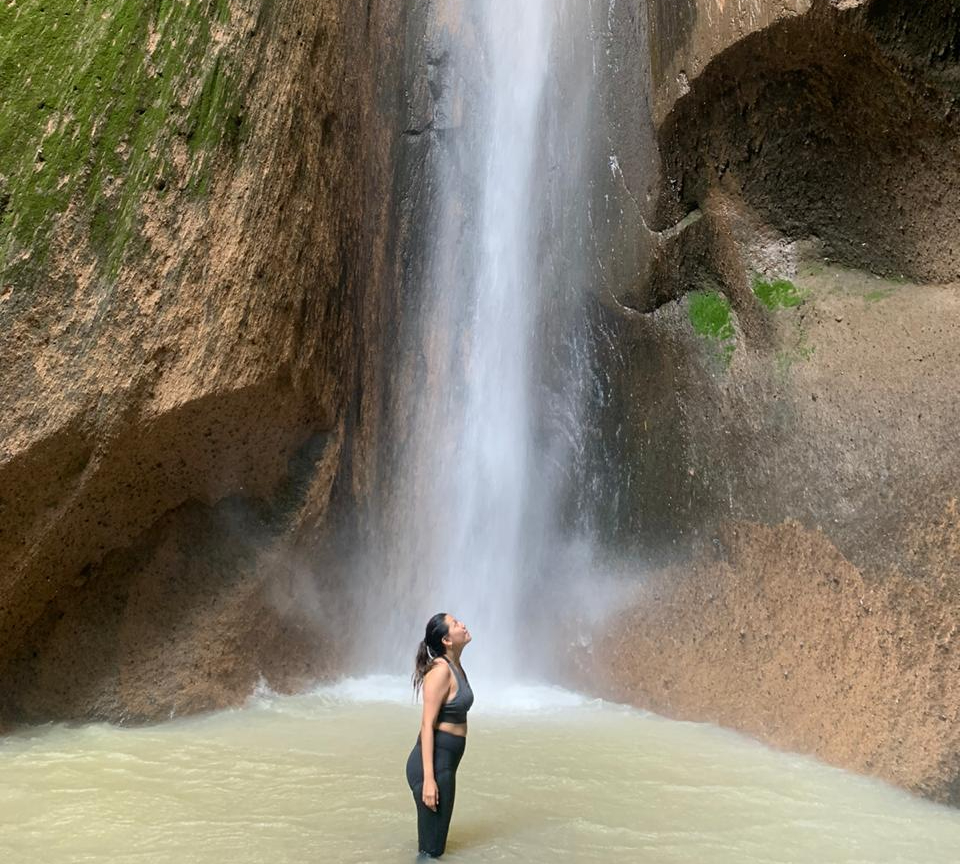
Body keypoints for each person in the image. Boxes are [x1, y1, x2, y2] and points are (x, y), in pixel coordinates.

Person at [405, 613, 474, 859]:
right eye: (456, 624)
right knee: (430, 852)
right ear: (446, 639)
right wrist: (429, 780)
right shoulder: (440, 671)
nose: (463, 624)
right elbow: (426, 725)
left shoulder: (456, 667)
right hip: (432, 768)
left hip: (445, 766)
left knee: (436, 848)